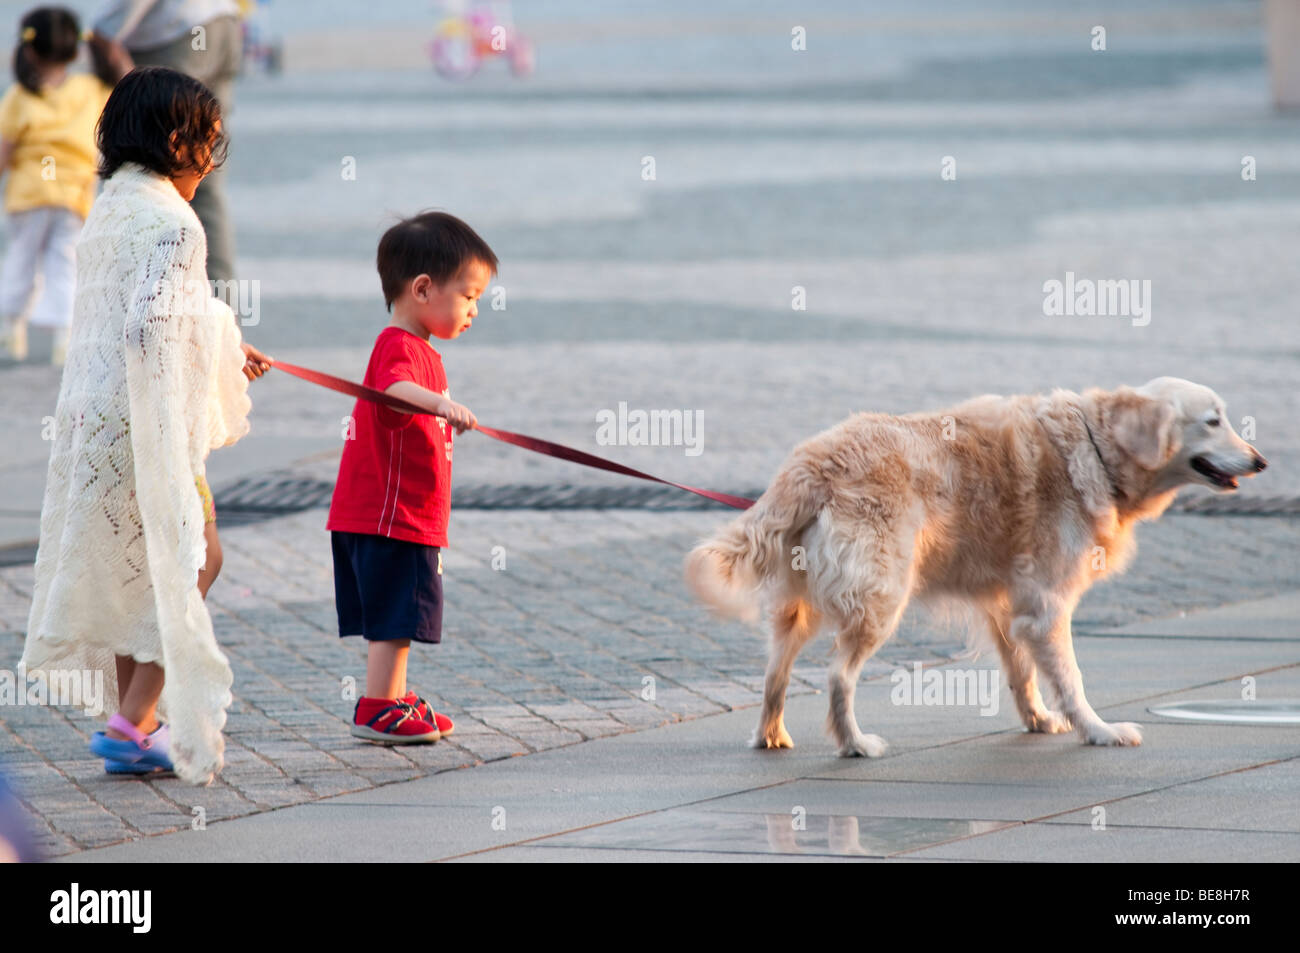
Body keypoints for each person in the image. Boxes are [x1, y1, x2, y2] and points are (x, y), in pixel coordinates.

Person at [20, 66, 272, 784]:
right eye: (209, 145)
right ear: (176, 140)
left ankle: (137, 721)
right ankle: (134, 724)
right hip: (144, 429)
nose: (209, 163)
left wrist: (223, 339)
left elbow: (148, 313)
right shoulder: (175, 222)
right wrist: (213, 345)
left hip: (92, 424)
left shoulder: (114, 203)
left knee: (138, 570)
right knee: (194, 558)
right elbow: (151, 330)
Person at [325, 211, 494, 743]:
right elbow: (394, 391)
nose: (473, 311)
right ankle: (378, 705)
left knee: (398, 613)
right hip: (391, 519)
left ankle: (394, 696)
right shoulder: (400, 348)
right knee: (396, 618)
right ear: (423, 289)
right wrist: (442, 404)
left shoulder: (418, 349)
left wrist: (437, 407)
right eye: (469, 297)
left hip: (386, 517)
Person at [0, 8, 132, 365]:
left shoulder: (18, 97)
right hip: (74, 194)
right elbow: (130, 84)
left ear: (28, 50)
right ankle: (64, 336)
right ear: (76, 49)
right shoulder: (91, 90)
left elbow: (4, 152)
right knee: (65, 263)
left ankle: (10, 329)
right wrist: (110, 50)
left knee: (22, 258)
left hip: (28, 194)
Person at [91, 0, 242, 288]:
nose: (213, 161)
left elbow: (109, 29)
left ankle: (157, 295)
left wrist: (106, 30)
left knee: (150, 177)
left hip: (174, 35)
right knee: (202, 186)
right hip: (221, 21)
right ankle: (220, 310)